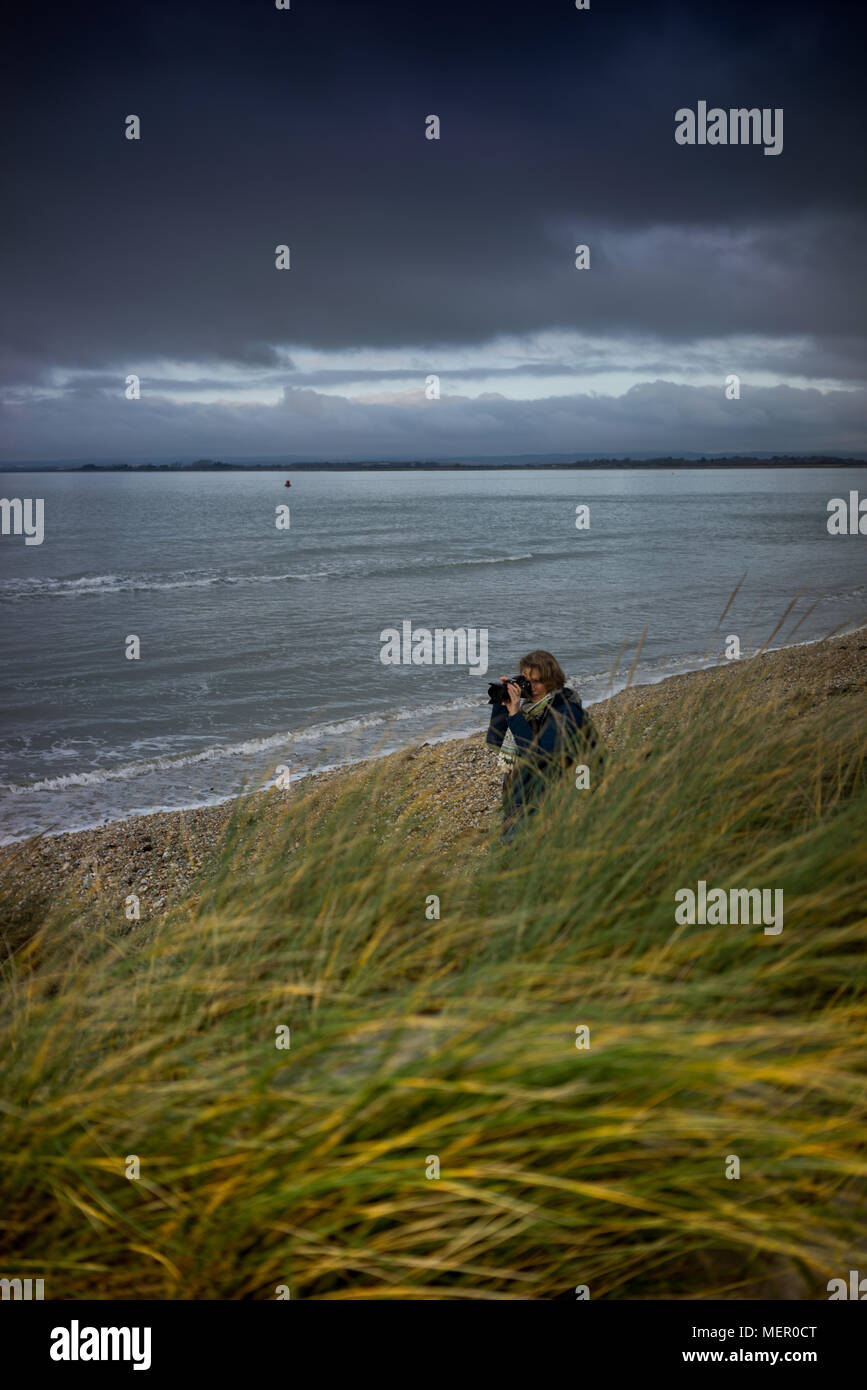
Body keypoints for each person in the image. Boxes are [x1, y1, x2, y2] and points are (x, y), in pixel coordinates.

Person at [486, 649, 601, 839]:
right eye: (526, 681)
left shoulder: (566, 711)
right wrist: (503, 701)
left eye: (537, 681)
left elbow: (539, 755)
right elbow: (496, 740)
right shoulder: (530, 710)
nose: (530, 687)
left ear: (552, 681)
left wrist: (515, 715)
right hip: (524, 789)